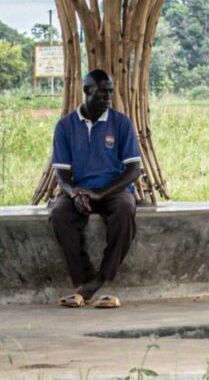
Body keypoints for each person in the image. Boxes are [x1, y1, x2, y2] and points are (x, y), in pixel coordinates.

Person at [48, 67, 144, 309]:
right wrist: (75, 194)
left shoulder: (121, 123)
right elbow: (61, 173)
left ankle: (101, 279)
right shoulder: (66, 126)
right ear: (86, 91)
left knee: (124, 209)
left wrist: (101, 193)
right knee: (59, 214)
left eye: (110, 92)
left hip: (113, 190)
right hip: (78, 190)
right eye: (101, 93)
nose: (108, 97)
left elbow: (133, 170)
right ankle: (85, 279)